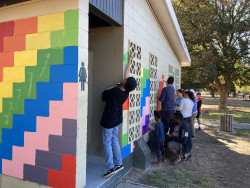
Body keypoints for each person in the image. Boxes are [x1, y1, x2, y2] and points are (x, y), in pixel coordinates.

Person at [100, 54, 137, 178]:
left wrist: (113, 86)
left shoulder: (115, 91)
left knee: (107, 143)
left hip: (109, 121)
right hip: (117, 120)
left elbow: (103, 95)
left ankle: (110, 167)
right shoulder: (126, 92)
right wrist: (130, 61)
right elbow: (127, 75)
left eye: (126, 79)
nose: (125, 78)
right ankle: (119, 163)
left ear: (125, 83)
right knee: (114, 140)